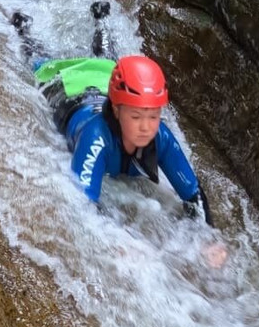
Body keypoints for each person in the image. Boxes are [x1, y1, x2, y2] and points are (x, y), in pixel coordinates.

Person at [34, 53, 214, 226]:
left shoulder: (161, 136)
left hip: (104, 86)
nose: (146, 127)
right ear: (116, 111)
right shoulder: (96, 136)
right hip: (68, 95)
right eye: (136, 117)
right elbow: (82, 205)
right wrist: (118, 243)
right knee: (33, 54)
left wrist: (209, 238)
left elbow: (194, 194)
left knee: (105, 55)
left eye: (153, 116)